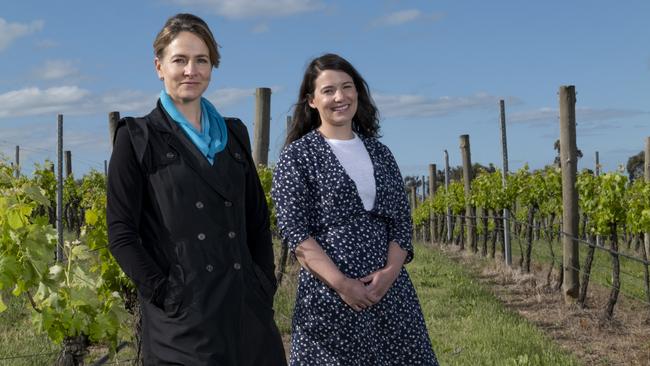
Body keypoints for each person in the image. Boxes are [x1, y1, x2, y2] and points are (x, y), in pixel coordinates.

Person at [107, 13, 286, 365]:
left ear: (212, 67)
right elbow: (121, 234)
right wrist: (164, 292)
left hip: (246, 311)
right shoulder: (137, 138)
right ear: (159, 66)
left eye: (201, 60)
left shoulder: (234, 134)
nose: (191, 70)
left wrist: (263, 282)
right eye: (180, 60)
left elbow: (257, 218)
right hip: (183, 321)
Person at [272, 53, 439, 365]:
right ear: (311, 101)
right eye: (328, 90)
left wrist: (389, 274)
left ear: (357, 93)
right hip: (329, 297)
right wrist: (343, 285)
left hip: (390, 296)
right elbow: (296, 233)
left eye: (347, 87)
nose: (340, 97)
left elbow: (401, 222)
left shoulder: (380, 152)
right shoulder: (297, 156)